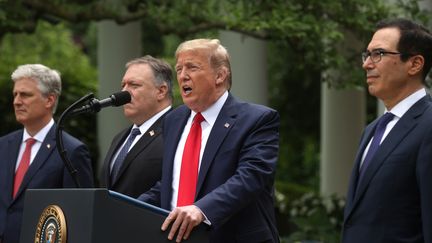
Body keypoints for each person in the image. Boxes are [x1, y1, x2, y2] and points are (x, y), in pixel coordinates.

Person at [138, 39, 280, 243]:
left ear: (220, 76)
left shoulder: (257, 119)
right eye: (179, 69)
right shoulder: (173, 120)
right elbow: (173, 181)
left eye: (192, 67)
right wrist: (130, 204)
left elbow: (251, 177)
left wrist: (202, 209)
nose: (183, 75)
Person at [342, 18, 432, 243]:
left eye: (379, 54)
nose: (366, 64)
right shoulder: (372, 130)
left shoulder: (429, 126)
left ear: (414, 64)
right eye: (367, 54)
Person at [0, 64, 94, 243]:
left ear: (49, 100)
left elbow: (79, 216)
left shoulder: (71, 150)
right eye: (15, 95)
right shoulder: (3, 145)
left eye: (25, 95)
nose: (16, 101)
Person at [100, 55, 173, 197]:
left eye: (134, 85)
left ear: (161, 91)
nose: (124, 92)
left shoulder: (176, 131)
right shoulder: (120, 138)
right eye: (123, 86)